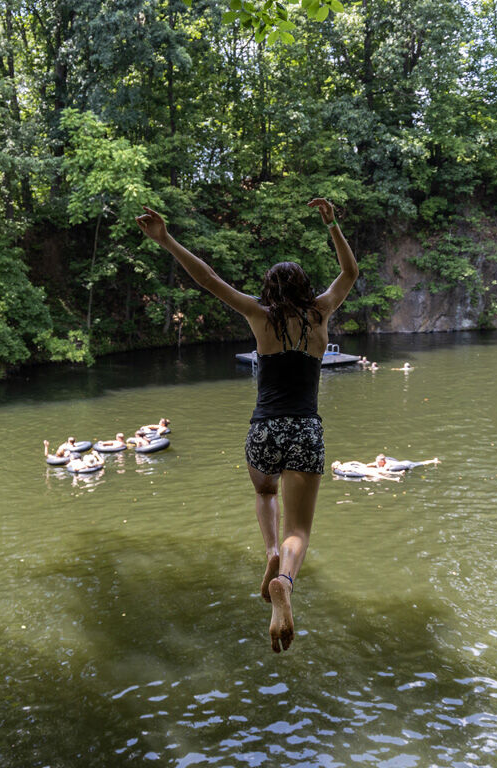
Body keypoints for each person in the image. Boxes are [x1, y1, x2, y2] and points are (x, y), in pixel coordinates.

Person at [137, 197, 358, 653]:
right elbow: (350, 274)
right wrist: (333, 225)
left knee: (264, 492)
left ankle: (269, 551)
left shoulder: (259, 315)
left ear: (270, 289)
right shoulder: (319, 314)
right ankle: (284, 579)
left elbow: (208, 278)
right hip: (304, 431)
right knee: (302, 530)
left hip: (264, 431)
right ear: (304, 286)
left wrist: (166, 240)